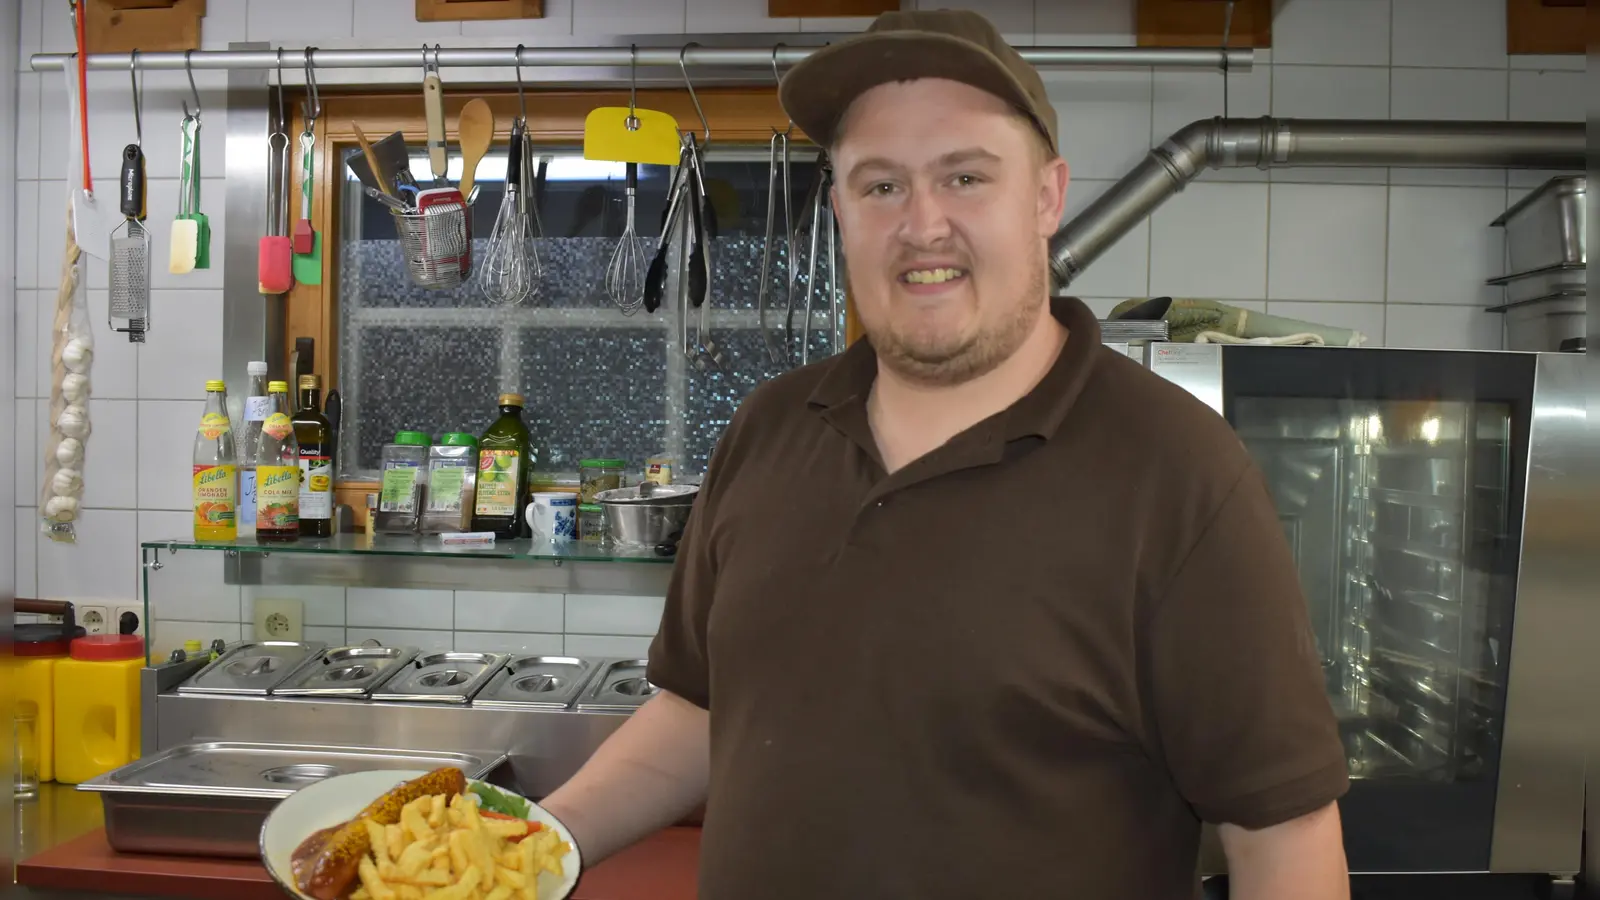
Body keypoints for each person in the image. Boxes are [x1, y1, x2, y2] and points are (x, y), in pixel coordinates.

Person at [541, 10, 1351, 899]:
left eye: (964, 177)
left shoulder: (1183, 476)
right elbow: (702, 712)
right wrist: (522, 847)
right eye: (880, 185)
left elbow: (1285, 837)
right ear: (841, 207)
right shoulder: (770, 429)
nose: (923, 226)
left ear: (1047, 196)